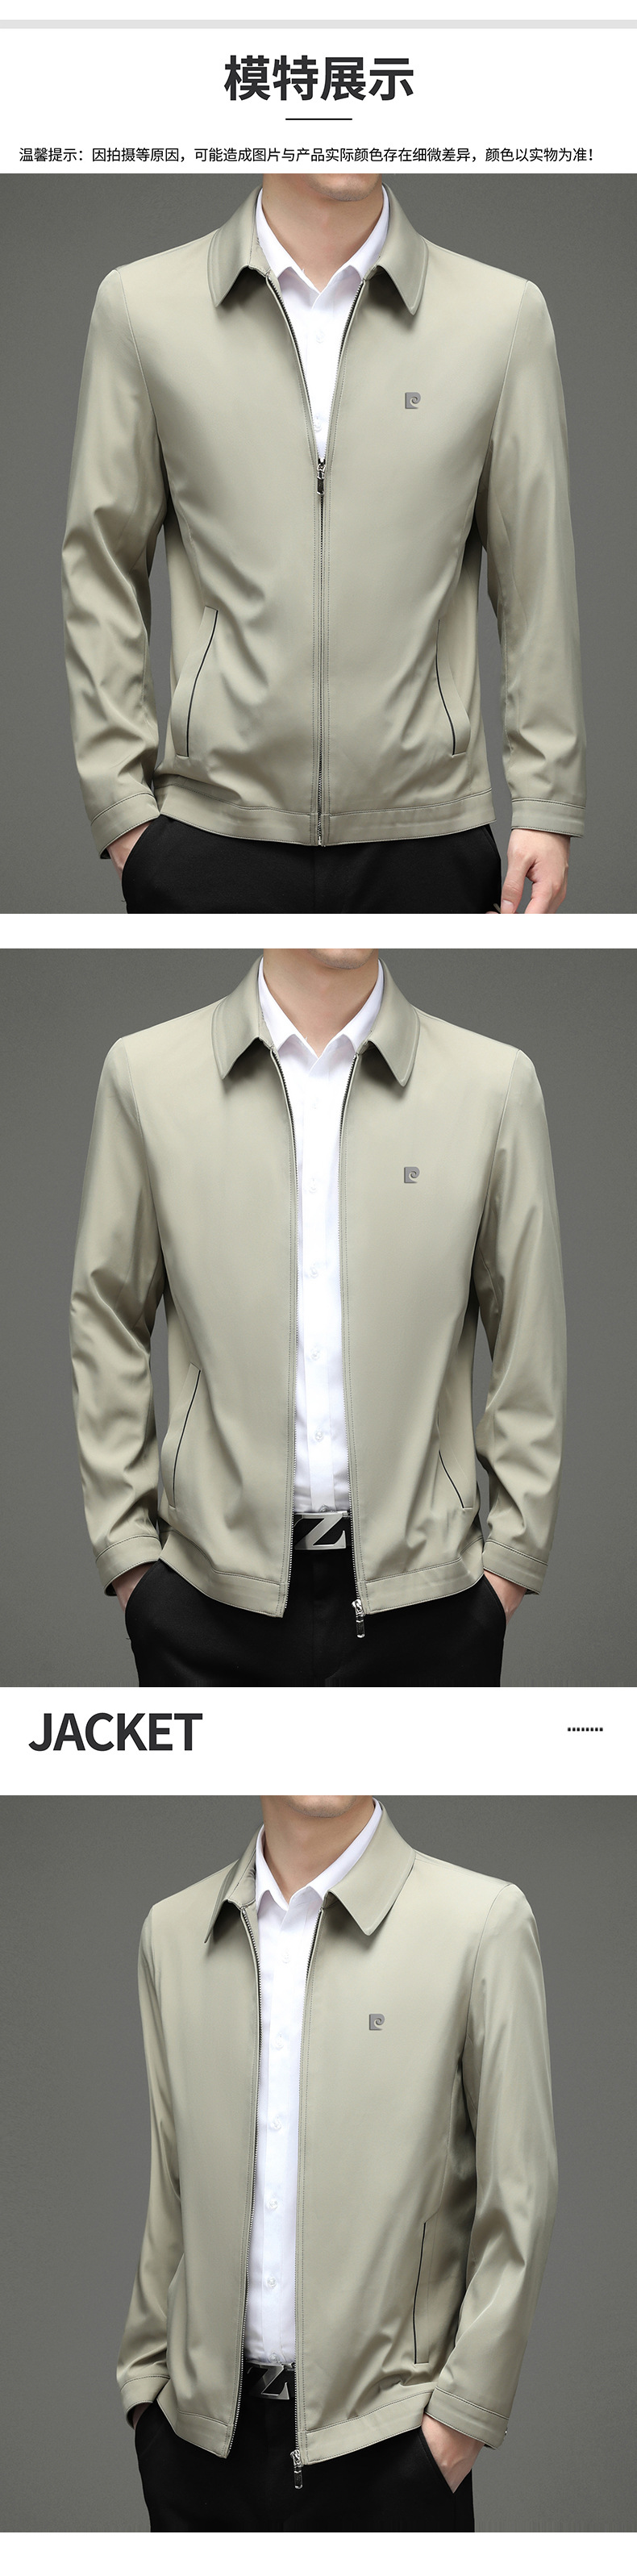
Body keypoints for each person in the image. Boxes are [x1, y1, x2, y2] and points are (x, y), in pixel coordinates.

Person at [62, 175, 585, 915]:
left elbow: (536, 576)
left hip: (428, 833)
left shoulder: (501, 318)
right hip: (209, 833)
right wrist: (121, 807)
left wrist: (546, 799)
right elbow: (101, 561)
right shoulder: (143, 307)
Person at [69, 948, 566, 1686]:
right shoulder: (146, 1075)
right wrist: (131, 1561)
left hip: (433, 1606)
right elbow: (107, 1310)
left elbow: (531, 1336)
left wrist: (508, 1570)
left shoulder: (493, 1085)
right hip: (204, 1602)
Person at [120, 1795, 558, 2532]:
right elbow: (171, 2183)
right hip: (197, 2453)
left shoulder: (482, 1923)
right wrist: (146, 2391)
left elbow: (521, 2197)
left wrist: (456, 2428)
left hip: (391, 2453)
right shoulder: (171, 1931)